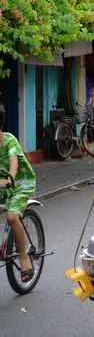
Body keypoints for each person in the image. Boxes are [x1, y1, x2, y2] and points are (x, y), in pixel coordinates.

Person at [0, 103, 36, 282]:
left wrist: (9, 179)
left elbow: (13, 162)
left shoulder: (9, 140)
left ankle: (23, 256)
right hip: (1, 185)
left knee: (13, 217)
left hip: (21, 183)